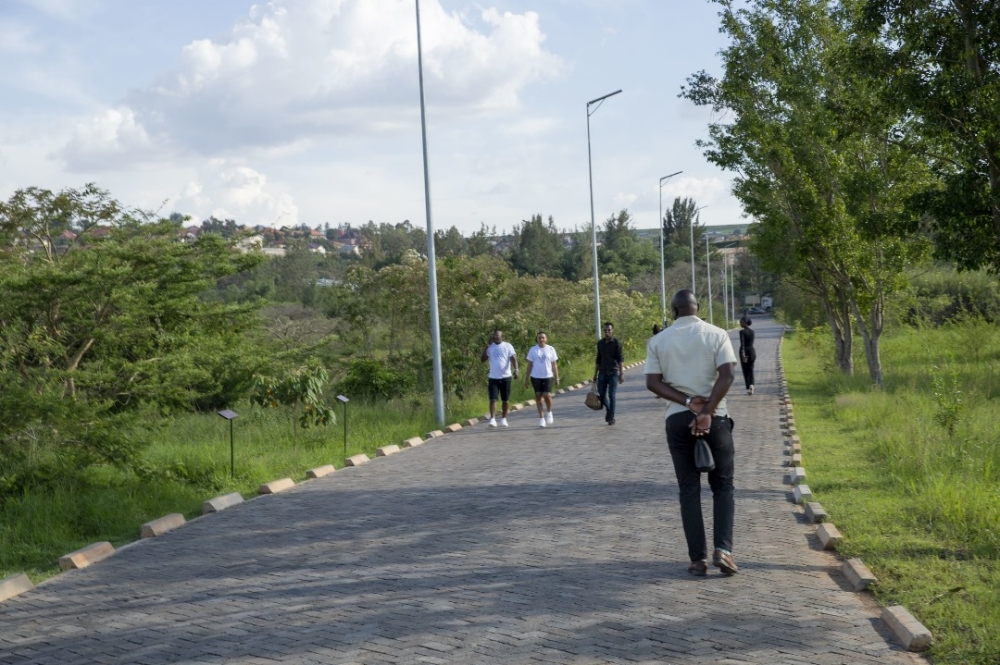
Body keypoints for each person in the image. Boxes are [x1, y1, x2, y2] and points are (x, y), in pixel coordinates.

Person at [645, 289, 739, 576]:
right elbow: (728, 375)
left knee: (689, 489)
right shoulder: (717, 334)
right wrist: (708, 411)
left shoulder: (658, 340)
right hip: (717, 419)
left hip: (677, 420)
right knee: (722, 486)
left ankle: (697, 560)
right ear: (698, 308)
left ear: (674, 312)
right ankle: (723, 550)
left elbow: (652, 382)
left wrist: (687, 402)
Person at [481, 329, 518, 427]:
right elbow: (483, 359)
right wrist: (486, 348)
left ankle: (504, 418)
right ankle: (492, 419)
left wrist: (516, 369)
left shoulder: (507, 346)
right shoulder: (490, 347)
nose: (496, 337)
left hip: (506, 377)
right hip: (493, 377)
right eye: (495, 335)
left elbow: (513, 358)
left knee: (505, 400)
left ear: (502, 336)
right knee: (493, 399)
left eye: (498, 335)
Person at [524, 331, 560, 427]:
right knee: (538, 396)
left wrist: (557, 378)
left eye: (543, 337)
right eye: (539, 338)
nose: (541, 339)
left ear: (546, 339)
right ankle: (541, 418)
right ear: (537, 339)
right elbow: (530, 365)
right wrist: (526, 378)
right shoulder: (533, 350)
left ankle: (549, 412)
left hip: (547, 376)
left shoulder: (551, 349)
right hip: (535, 376)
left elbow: (554, 365)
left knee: (547, 395)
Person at [593, 321, 625, 425]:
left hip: (613, 372)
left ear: (612, 331)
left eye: (609, 330)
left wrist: (621, 373)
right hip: (602, 372)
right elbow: (598, 359)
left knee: (612, 395)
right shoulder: (600, 343)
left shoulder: (616, 343)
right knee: (602, 395)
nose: (607, 332)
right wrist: (594, 375)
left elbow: (620, 359)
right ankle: (609, 411)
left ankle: (611, 417)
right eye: (605, 330)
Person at [739, 317, 756, 395]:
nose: (740, 323)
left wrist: (743, 353)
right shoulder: (752, 332)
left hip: (745, 351)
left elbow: (742, 343)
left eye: (741, 322)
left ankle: (748, 386)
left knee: (745, 370)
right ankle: (752, 384)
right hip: (752, 351)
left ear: (745, 323)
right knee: (751, 369)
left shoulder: (742, 332)